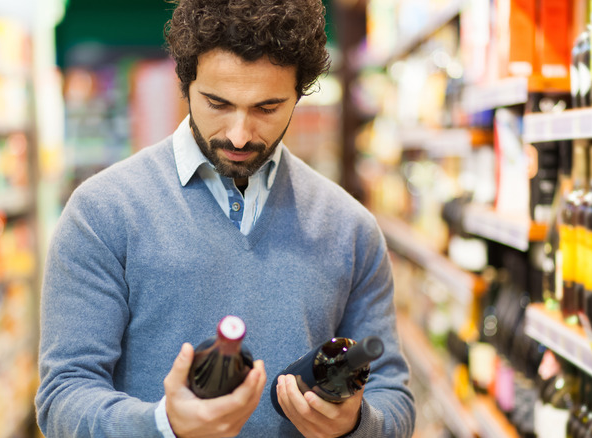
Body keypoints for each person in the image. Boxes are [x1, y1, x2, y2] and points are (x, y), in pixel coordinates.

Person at [35, 0, 416, 436]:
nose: (239, 134)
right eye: (217, 103)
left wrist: (357, 424)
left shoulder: (351, 228)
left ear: (301, 93)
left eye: (267, 108)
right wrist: (163, 425)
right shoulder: (102, 213)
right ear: (186, 81)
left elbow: (394, 397)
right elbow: (63, 398)